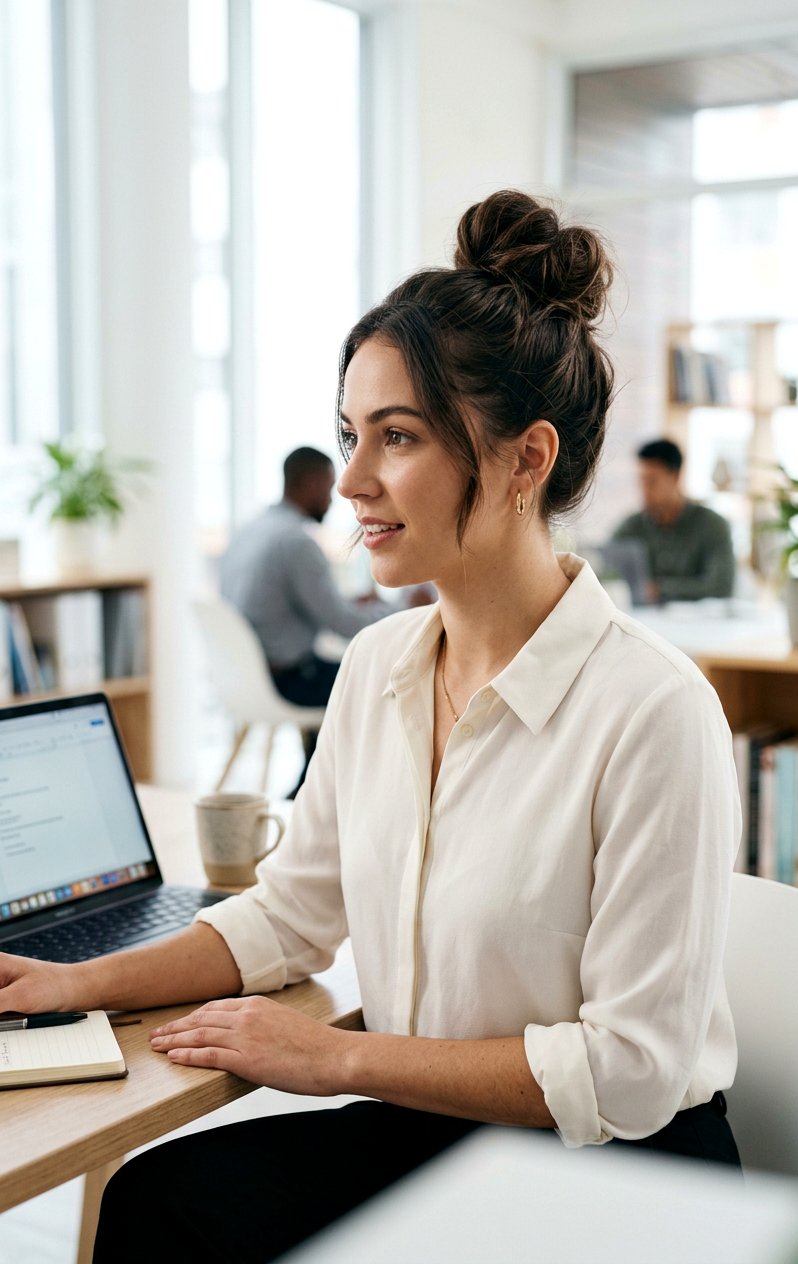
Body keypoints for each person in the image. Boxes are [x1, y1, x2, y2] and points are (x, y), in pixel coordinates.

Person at [0, 191, 742, 1264]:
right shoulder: (378, 666)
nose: (350, 480)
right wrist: (74, 982)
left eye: (395, 438)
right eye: (352, 434)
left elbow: (625, 1068)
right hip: (443, 1131)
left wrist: (338, 1059)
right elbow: (288, 916)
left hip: (618, 1165)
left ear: (527, 459)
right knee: (158, 1205)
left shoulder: (651, 709)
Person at [219, 445, 393, 710]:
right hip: (290, 680)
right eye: (329, 486)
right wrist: (405, 610)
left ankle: (320, 751)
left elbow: (292, 606)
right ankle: (326, 753)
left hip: (245, 679)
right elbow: (345, 625)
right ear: (311, 483)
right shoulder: (295, 542)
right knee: (386, 681)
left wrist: (350, 603)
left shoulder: (251, 529)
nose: (333, 500)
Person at [611, 438, 736, 602]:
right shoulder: (631, 526)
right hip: (642, 621)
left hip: (699, 625)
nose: (645, 491)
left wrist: (660, 590)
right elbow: (606, 570)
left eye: (652, 482)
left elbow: (720, 587)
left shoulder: (712, 525)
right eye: (641, 481)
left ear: (676, 477)